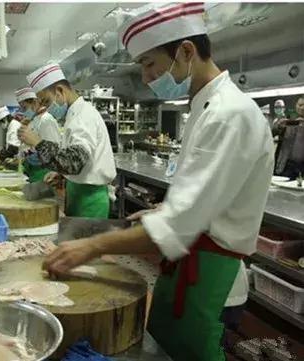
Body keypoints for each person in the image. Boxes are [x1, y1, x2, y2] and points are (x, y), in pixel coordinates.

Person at [44, 3, 274, 360]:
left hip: (211, 277)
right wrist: (165, 209)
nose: (147, 77)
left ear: (186, 51)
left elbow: (186, 222)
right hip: (186, 263)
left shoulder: (229, 114)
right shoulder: (204, 108)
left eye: (150, 64)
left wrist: (92, 247)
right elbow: (209, 195)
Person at [17, 63, 116, 218]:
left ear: (59, 91)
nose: (46, 108)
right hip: (76, 192)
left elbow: (74, 161)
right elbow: (78, 160)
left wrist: (37, 142)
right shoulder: (73, 115)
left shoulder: (84, 115)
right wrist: (62, 175)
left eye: (46, 102)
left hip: (90, 199)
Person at [15, 87, 61, 182]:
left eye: (24, 107)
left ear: (35, 102)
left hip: (44, 171)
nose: (23, 111)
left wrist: (36, 156)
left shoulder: (46, 120)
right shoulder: (34, 120)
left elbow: (54, 150)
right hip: (33, 170)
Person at [274, 95, 304, 178]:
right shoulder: (289, 119)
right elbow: (271, 134)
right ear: (296, 105)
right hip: (286, 164)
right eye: (300, 105)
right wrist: (279, 126)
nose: (302, 108)